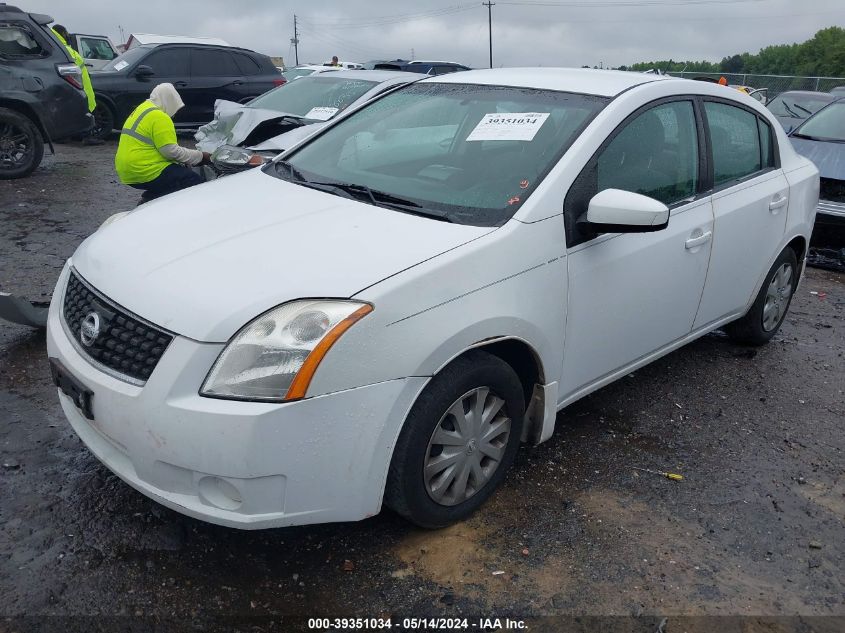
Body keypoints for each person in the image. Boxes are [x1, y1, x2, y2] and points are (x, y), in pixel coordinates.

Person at [114, 83, 210, 201]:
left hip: (127, 169)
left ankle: (151, 199)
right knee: (193, 181)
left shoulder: (142, 109)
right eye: (175, 108)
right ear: (169, 101)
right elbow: (171, 152)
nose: (174, 114)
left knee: (171, 181)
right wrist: (200, 157)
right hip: (145, 169)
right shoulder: (160, 117)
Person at [51, 24, 103, 145]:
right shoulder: (64, 50)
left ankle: (70, 135)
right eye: (66, 33)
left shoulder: (58, 48)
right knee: (85, 109)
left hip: (76, 84)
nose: (68, 35)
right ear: (62, 34)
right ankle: (86, 136)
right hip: (79, 84)